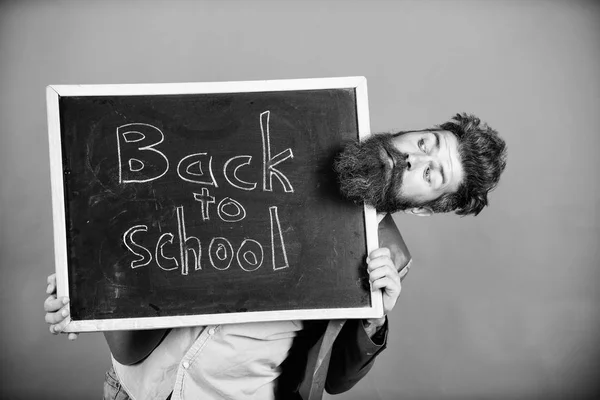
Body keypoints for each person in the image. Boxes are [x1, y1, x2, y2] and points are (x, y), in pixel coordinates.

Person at [44, 112, 507, 400]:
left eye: (431, 173)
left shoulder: (389, 258)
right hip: (139, 387)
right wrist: (83, 288)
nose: (412, 158)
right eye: (427, 143)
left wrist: (375, 319)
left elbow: (335, 380)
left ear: (425, 207)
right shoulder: (289, 137)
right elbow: (154, 225)